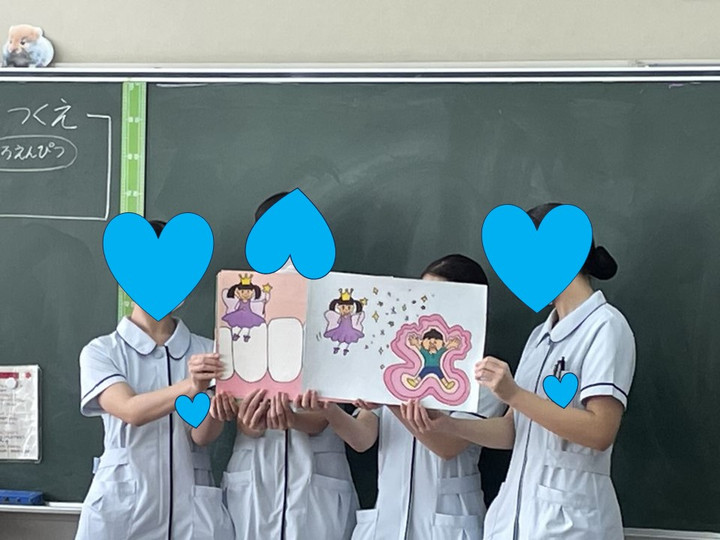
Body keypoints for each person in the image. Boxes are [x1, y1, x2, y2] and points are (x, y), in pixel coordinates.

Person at [435, 203, 636, 539]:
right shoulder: (540, 337)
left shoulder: (605, 327)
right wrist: (448, 425)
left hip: (570, 524)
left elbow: (600, 431)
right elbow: (514, 431)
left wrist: (514, 394)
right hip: (516, 518)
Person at [303, 254, 505, 539]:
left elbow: (447, 446)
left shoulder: (483, 378)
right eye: (423, 297)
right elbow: (362, 438)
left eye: (439, 299)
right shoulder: (390, 365)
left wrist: (390, 398)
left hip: (447, 526)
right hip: (386, 522)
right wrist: (329, 409)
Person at [76, 220, 234, 540]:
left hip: (192, 511)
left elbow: (202, 436)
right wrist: (190, 386)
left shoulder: (210, 352)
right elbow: (130, 410)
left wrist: (218, 407)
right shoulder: (102, 351)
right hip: (123, 509)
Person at [216, 193, 359, 540]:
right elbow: (236, 403)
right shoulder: (235, 305)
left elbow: (331, 410)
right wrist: (249, 422)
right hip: (255, 472)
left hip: (318, 477)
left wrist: (294, 420)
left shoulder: (336, 308)